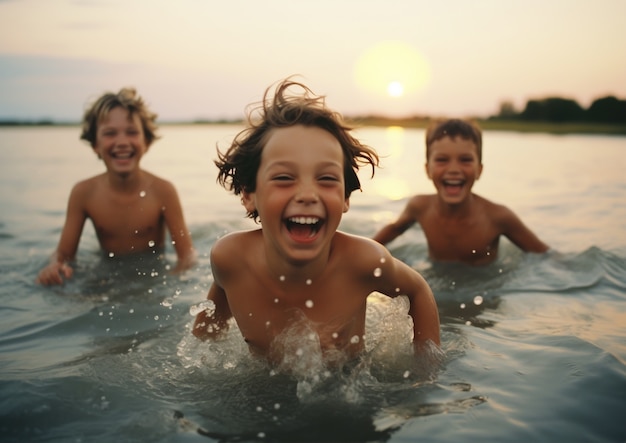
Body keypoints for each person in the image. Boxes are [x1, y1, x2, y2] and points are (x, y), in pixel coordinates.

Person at [192, 79, 440, 366]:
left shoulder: (363, 262)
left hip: (345, 384)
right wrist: (202, 359)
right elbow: (208, 331)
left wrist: (426, 367)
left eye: (326, 179)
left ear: (346, 197)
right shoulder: (230, 258)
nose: (308, 195)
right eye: (284, 178)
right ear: (249, 195)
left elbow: (418, 290)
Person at [36, 88, 196, 286]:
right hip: (107, 274)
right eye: (110, 133)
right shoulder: (83, 193)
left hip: (153, 275)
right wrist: (54, 266)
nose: (122, 142)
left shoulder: (163, 191)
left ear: (146, 141)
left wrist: (175, 280)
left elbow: (187, 256)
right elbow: (64, 254)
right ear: (95, 144)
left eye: (132, 132)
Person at [372, 118, 549, 265]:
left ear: (479, 169)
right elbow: (394, 230)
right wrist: (365, 252)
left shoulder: (498, 217)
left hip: (484, 290)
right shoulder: (420, 207)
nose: (454, 169)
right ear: (428, 169)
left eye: (465, 160)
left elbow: (542, 254)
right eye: (442, 160)